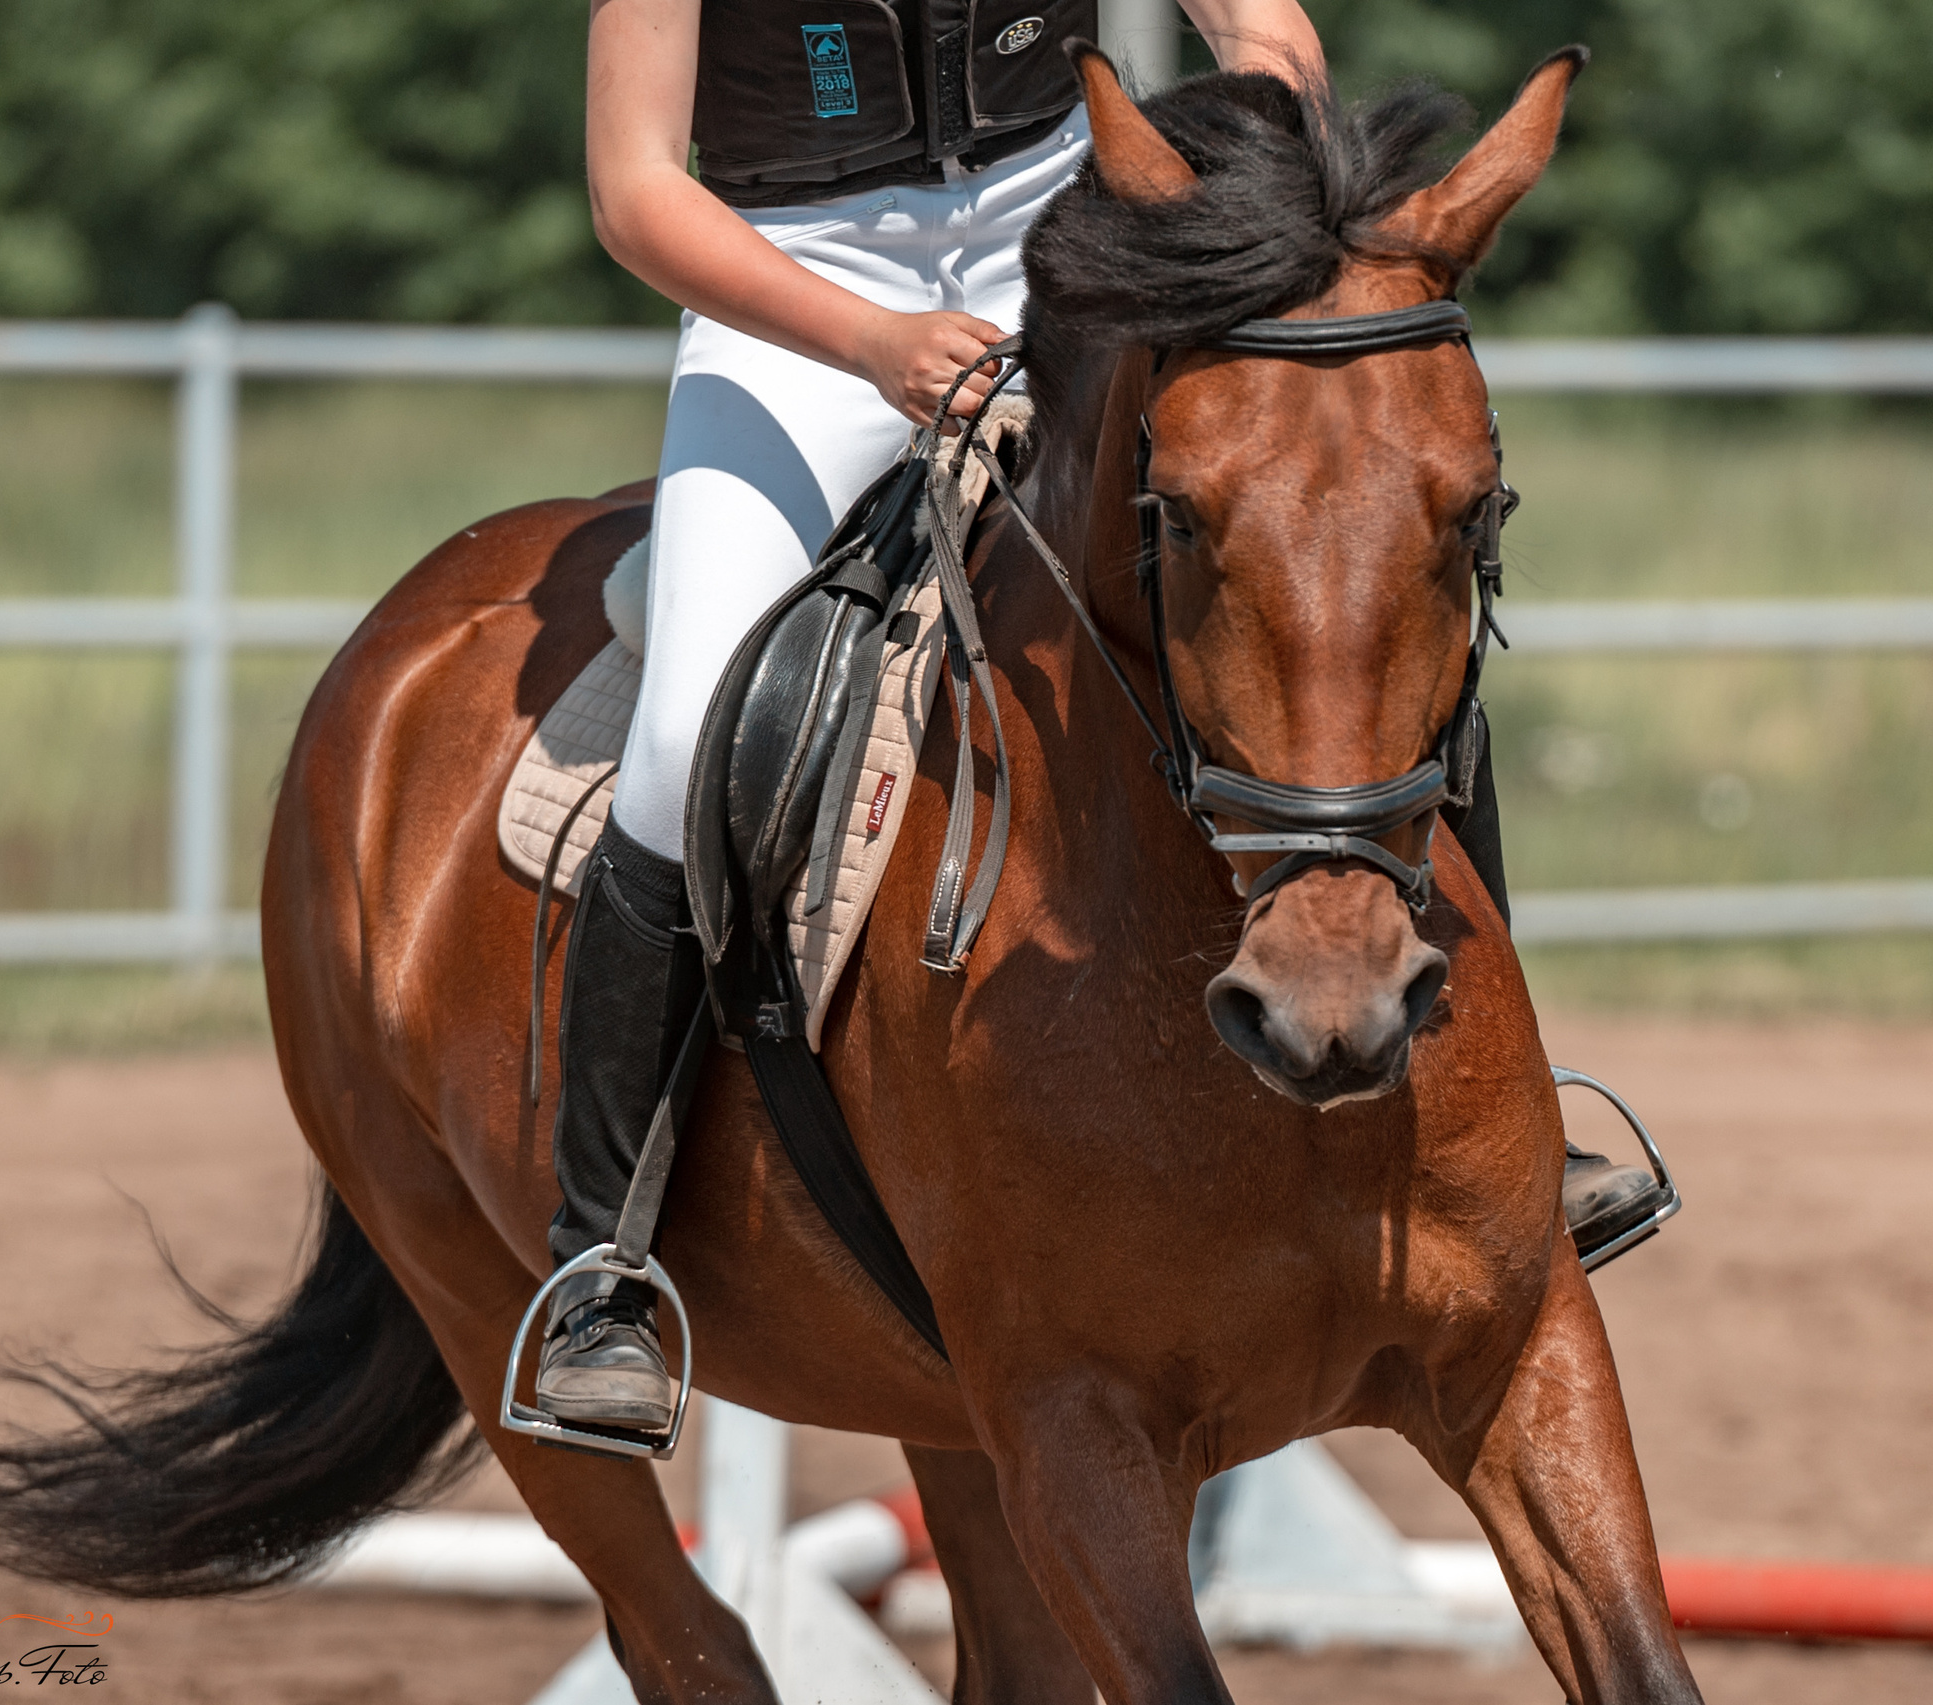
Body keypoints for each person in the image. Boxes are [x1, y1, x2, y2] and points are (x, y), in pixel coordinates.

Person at [537, 0, 1660, 1428]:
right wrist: (876, 342)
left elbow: (1265, 34)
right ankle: (602, 1261)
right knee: (692, 727)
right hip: (796, 299)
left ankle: (1505, 1106)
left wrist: (1251, 218)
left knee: (1344, 604)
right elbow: (635, 193)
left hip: (1070, 239)